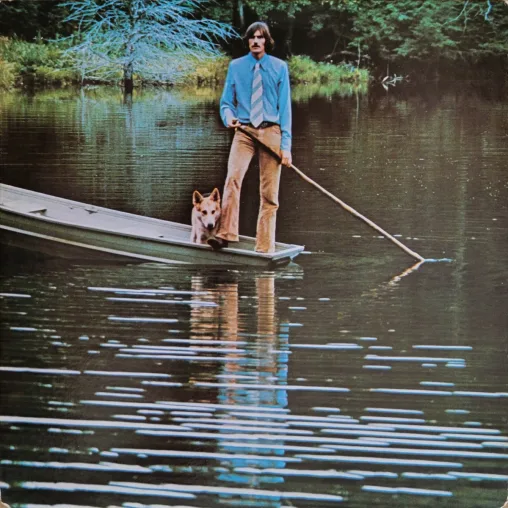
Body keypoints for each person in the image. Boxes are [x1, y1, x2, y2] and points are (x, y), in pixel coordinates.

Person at [208, 21, 292, 253]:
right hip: (244, 130)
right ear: (247, 41)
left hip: (271, 131)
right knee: (233, 179)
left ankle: (264, 247)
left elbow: (285, 110)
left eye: (260, 37)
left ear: (267, 41)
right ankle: (224, 235)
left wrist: (286, 147)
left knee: (269, 193)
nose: (256, 41)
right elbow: (226, 103)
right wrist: (229, 118)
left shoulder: (279, 67)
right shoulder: (236, 67)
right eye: (252, 37)